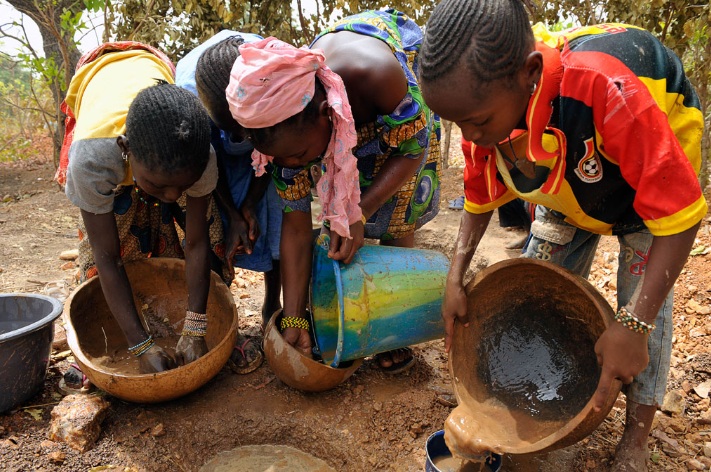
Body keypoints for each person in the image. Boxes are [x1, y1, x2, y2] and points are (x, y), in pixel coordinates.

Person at [418, 1, 705, 471]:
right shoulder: (486, 112)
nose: (469, 135)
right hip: (568, 187)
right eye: (458, 124)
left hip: (644, 192)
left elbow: (679, 216)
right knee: (534, 279)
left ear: (530, 73)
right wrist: (455, 276)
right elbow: (477, 198)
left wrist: (632, 324)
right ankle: (535, 405)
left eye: (478, 122)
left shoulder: (607, 91)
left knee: (643, 316)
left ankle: (636, 434)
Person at [227, 9, 441, 373]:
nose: (294, 163)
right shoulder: (283, 133)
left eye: (297, 154)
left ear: (327, 112)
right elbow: (294, 225)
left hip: (394, 110)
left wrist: (359, 211)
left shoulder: (377, 77)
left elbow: (411, 150)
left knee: (398, 212)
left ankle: (397, 319)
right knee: (338, 220)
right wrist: (294, 320)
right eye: (283, 158)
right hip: (341, 116)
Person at [58, 42, 259, 380]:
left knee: (208, 232)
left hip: (151, 70)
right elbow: (107, 258)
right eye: (158, 185)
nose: (173, 195)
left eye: (183, 185)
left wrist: (195, 329)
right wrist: (140, 347)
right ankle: (96, 347)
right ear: (127, 151)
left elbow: (195, 244)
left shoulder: (200, 158)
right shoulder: (92, 162)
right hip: (98, 81)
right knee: (108, 248)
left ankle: (216, 327)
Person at [176, 30, 283, 329]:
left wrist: (251, 202)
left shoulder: (271, 84)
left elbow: (276, 151)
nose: (242, 138)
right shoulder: (190, 103)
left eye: (246, 131)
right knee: (213, 223)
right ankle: (219, 307)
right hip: (209, 150)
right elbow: (206, 164)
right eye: (235, 131)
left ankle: (271, 305)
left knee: (277, 217)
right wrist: (234, 214)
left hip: (267, 136)